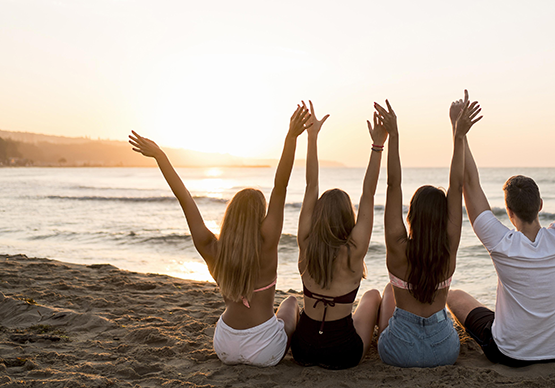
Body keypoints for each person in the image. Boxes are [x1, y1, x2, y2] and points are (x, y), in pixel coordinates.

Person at [127, 104, 312, 367]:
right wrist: (291, 137)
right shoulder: (266, 243)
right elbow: (280, 185)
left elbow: (184, 197)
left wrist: (161, 157)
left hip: (224, 346)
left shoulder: (211, 249)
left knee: (279, 313)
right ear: (259, 217)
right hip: (264, 351)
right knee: (291, 303)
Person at [446, 92, 555, 367]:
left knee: (455, 297)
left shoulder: (501, 242)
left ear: (508, 213)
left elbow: (470, 183)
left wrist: (458, 131)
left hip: (509, 354)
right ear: (540, 205)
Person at [373, 95, 481, 367]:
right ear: (443, 217)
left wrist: (393, 136)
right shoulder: (449, 245)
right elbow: (456, 187)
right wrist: (458, 136)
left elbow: (392, 185)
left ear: (412, 215)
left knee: (389, 291)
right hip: (444, 348)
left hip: (399, 349)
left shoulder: (398, 246)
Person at [291, 101, 387, 369]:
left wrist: (311, 137)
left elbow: (311, 186)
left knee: (293, 306)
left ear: (318, 215)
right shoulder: (353, 251)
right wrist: (377, 146)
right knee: (372, 297)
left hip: (302, 349)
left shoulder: (306, 244)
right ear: (349, 217)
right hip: (343, 353)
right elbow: (368, 194)